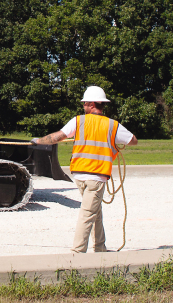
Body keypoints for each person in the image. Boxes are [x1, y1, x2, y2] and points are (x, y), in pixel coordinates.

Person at [33, 86, 135, 253]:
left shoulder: (78, 121)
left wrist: (38, 141)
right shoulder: (112, 125)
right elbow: (133, 140)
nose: (83, 106)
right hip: (97, 177)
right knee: (88, 213)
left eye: (85, 103)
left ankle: (99, 248)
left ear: (92, 104)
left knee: (93, 211)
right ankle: (78, 252)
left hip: (80, 176)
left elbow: (57, 137)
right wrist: (115, 142)